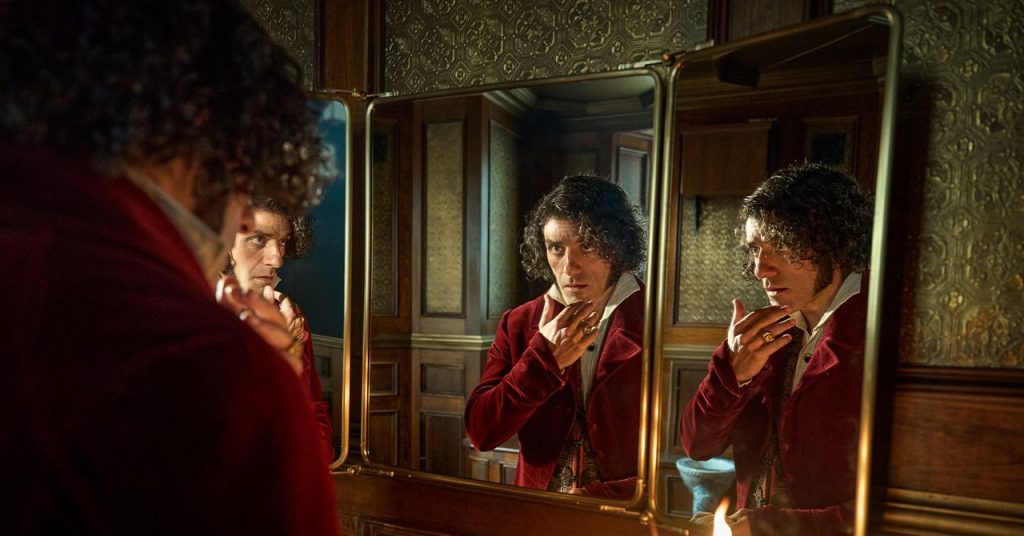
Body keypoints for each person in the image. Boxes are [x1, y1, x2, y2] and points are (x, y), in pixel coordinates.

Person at [1, 1, 339, 533]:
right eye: (246, 172)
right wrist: (268, 381)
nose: (243, 213)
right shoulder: (211, 366)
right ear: (211, 131)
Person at [680, 163, 873, 535]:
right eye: (755, 250)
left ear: (833, 245)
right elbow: (697, 446)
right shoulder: (760, 333)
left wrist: (763, 528)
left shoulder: (880, 334)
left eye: (781, 247)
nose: (760, 270)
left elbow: (893, 507)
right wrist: (732, 375)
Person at [465, 174, 647, 499]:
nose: (570, 268)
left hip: (622, 514)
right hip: (537, 511)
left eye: (587, 246)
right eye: (556, 248)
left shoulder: (654, 320)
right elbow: (481, 433)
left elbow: (680, 453)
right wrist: (542, 361)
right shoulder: (518, 323)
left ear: (617, 246)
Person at [226, 198, 335, 461]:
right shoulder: (193, 315)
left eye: (283, 242)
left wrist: (310, 463)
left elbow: (314, 411)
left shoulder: (290, 316)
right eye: (259, 239)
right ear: (223, 239)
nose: (277, 259)